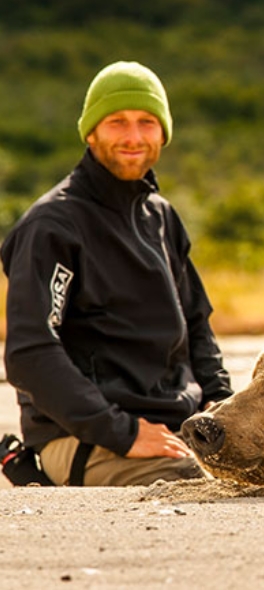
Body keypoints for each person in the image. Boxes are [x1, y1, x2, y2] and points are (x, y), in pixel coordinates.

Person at [1, 61, 233, 486]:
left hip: (174, 428)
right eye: (116, 122)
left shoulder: (162, 218)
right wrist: (123, 432)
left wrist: (221, 407)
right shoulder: (52, 227)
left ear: (163, 133)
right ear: (90, 132)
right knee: (211, 487)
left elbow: (197, 327)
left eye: (147, 122)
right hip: (86, 436)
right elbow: (30, 352)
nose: (133, 137)